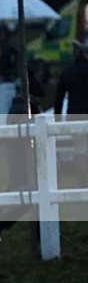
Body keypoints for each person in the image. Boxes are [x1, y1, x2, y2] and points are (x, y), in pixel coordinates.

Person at [54, 39, 88, 185]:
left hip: (74, 115)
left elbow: (59, 100)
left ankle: (83, 180)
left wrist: (57, 120)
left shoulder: (67, 73)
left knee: (80, 150)